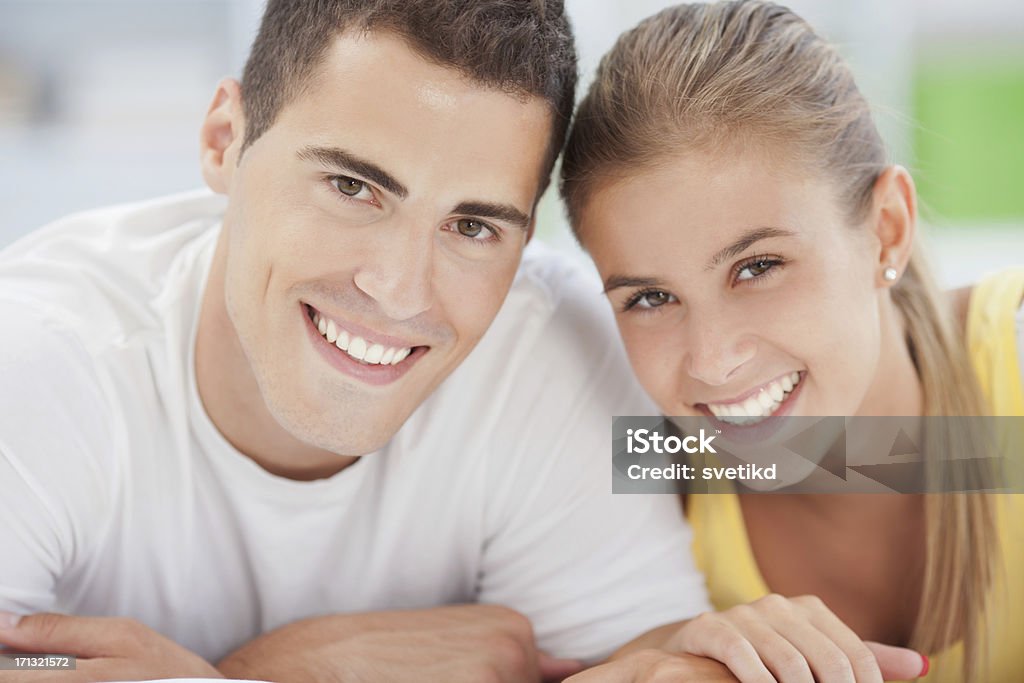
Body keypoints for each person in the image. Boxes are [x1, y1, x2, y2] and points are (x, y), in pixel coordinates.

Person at [0, 1, 714, 680]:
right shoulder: (40, 360)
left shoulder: (554, 356)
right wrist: (269, 674)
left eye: (472, 228)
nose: (400, 291)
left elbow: (651, 663)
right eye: (351, 187)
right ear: (225, 140)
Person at [558, 1, 1024, 681]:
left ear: (887, 229)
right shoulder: (641, 471)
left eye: (758, 267)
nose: (713, 361)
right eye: (651, 298)